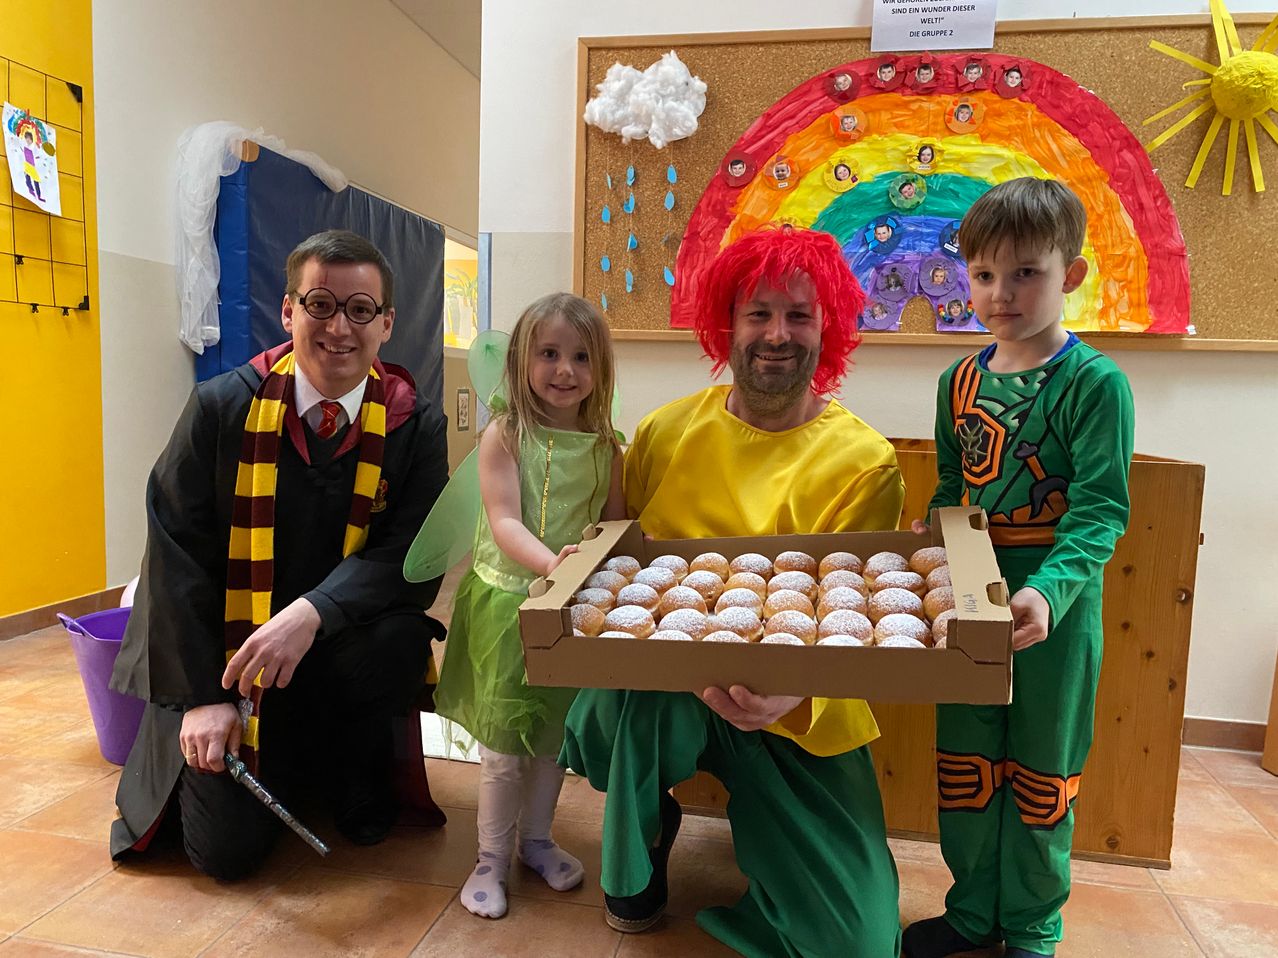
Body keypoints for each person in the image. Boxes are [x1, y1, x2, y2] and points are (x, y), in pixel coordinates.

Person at [561, 227, 906, 957]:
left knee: (858, 945)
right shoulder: (663, 433)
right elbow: (619, 557)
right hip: (663, 691)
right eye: (758, 313)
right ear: (727, 322)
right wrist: (581, 562)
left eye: (799, 315)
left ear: (830, 327)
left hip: (795, 703)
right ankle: (640, 837)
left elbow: (862, 624)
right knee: (618, 701)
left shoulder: (864, 464)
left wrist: (798, 688)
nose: (776, 334)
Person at [109, 229, 450, 879]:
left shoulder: (413, 426)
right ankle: (270, 756)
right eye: (320, 304)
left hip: (335, 648)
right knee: (224, 858)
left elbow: (413, 556)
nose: (339, 328)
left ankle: (353, 768)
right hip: (231, 662)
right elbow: (176, 555)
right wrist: (203, 697)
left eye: (359, 311)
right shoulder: (221, 410)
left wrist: (311, 612)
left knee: (401, 640)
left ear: (386, 324)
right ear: (288, 311)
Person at [902, 178, 1135, 958]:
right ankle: (972, 912)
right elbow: (950, 487)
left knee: (1041, 770)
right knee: (967, 761)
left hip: (1053, 613)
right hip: (968, 601)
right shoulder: (957, 383)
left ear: (1069, 275)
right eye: (984, 275)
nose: (1001, 293)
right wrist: (926, 537)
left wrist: (1048, 590)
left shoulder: (1096, 384)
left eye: (1025, 272)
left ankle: (1032, 927)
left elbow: (1100, 511)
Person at [431, 293, 625, 919]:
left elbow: (616, 521)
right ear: (521, 359)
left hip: (569, 609)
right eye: (549, 354)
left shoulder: (606, 444)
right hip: (511, 606)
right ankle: (489, 858)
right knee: (505, 746)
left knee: (550, 737)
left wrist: (603, 571)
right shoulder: (504, 435)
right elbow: (505, 521)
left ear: (599, 371)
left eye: (580, 357)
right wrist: (556, 568)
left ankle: (537, 841)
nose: (564, 370)